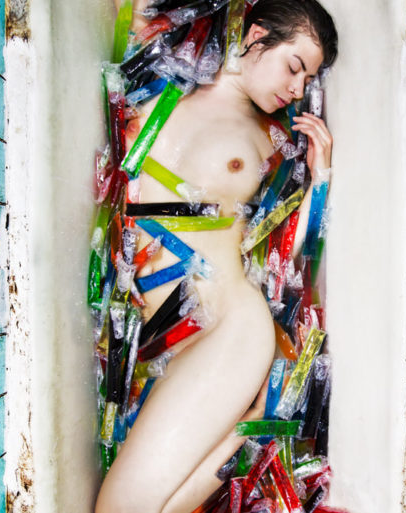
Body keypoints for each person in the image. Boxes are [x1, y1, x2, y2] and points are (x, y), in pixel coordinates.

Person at [96, 1, 338, 511]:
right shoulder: (162, 75)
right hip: (164, 342)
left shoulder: (270, 137)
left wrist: (319, 179)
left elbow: (279, 253)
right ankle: (249, 433)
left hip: (227, 327)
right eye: (294, 66)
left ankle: (251, 428)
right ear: (254, 35)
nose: (297, 89)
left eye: (307, 79)